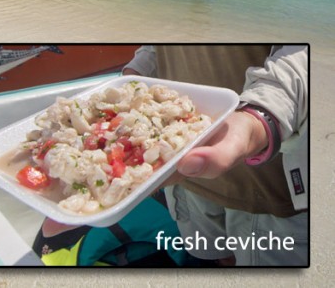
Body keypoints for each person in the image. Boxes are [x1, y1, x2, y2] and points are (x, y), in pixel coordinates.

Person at [120, 45, 308, 267]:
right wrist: (137, 73)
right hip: (184, 179)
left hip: (266, 186)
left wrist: (260, 117)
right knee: (217, 261)